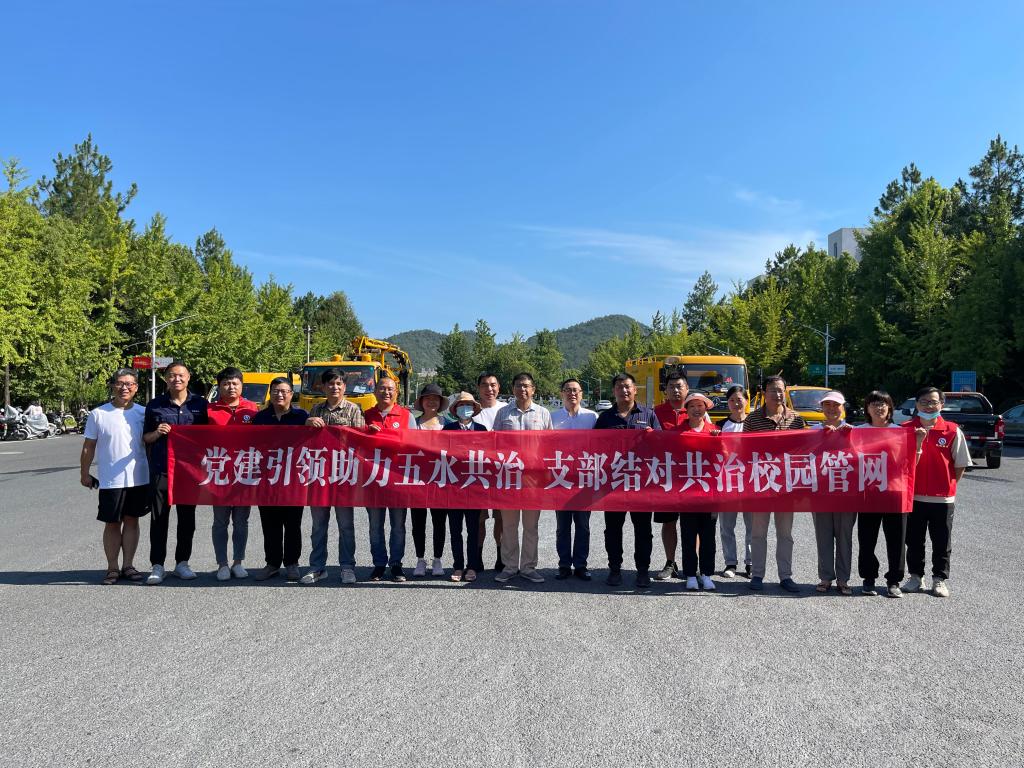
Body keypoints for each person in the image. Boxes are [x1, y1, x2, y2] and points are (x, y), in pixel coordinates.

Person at [80, 369, 149, 585]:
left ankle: (128, 565)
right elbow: (89, 446)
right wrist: (84, 473)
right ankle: (112, 567)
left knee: (132, 521)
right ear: (113, 386)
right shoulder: (99, 414)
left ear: (136, 388)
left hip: (139, 477)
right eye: (120, 383)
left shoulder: (144, 413)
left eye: (129, 384)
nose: (124, 388)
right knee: (112, 523)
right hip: (110, 480)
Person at [143, 361, 209, 584]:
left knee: (187, 519)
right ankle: (157, 565)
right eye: (172, 375)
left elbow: (210, 436)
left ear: (188, 377)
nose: (177, 379)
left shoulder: (201, 405)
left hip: (189, 471)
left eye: (181, 375)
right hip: (162, 469)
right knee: (159, 518)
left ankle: (182, 563)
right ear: (166, 379)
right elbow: (145, 438)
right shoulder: (155, 405)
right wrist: (157, 433)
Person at [902, 387, 971, 598]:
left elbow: (960, 464)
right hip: (912, 496)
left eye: (933, 402)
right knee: (914, 540)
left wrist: (947, 485)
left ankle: (939, 579)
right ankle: (915, 577)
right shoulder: (905, 429)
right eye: (923, 402)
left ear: (941, 404)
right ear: (916, 404)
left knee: (941, 541)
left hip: (942, 498)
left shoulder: (952, 430)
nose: (928, 406)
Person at [595, 372, 662, 589]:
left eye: (627, 386)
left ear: (634, 390)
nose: (624, 390)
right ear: (613, 391)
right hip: (613, 484)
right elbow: (594, 448)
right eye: (619, 387)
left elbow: (662, 446)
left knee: (643, 530)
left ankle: (642, 570)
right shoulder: (605, 418)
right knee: (612, 530)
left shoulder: (648, 415)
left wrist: (654, 437)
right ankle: (614, 569)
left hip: (641, 484)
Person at [302, 368, 366, 584]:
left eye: (339, 383)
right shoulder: (316, 409)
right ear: (323, 387)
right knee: (318, 525)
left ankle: (347, 566)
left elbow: (361, 442)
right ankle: (317, 567)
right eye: (330, 383)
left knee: (345, 525)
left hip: (343, 476)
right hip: (319, 476)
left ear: (344, 387)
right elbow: (305, 442)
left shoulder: (353, 410)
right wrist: (307, 424)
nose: (334, 387)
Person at [743, 374, 805, 593]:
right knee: (758, 533)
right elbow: (745, 451)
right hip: (761, 483)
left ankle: (785, 576)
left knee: (785, 534)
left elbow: (802, 451)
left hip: (786, 486)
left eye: (781, 390)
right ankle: (757, 574)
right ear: (764, 392)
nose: (777, 394)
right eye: (773, 390)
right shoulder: (752, 419)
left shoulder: (795, 419)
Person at [493, 372, 553, 584]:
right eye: (518, 385)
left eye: (526, 386)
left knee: (531, 527)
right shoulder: (503, 413)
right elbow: (494, 444)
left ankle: (528, 567)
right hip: (509, 478)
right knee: (509, 526)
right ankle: (509, 567)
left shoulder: (543, 413)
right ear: (513, 389)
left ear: (533, 389)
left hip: (533, 480)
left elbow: (550, 446)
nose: (522, 389)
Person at [252, 377, 309, 581]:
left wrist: (312, 425)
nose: (280, 395)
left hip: (293, 479)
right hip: (267, 479)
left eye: (284, 391)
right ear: (271, 393)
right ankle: (272, 563)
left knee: (293, 524)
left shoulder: (301, 417)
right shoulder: (260, 418)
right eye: (276, 391)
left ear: (291, 394)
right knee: (270, 524)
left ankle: (292, 563)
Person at [206, 366, 259, 581]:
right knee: (220, 521)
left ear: (242, 385)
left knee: (241, 521)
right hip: (219, 473)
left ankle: (238, 562)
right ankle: (222, 564)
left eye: (235, 383)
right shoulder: (210, 410)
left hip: (244, 472)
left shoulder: (252, 409)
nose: (231, 387)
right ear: (219, 386)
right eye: (226, 383)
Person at [364, 375, 417, 582]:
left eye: (390, 389)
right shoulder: (366, 415)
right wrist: (366, 432)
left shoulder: (406, 416)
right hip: (373, 480)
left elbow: (415, 446)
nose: (386, 392)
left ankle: (396, 564)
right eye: (382, 388)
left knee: (398, 525)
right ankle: (379, 564)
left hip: (397, 479)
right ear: (375, 391)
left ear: (397, 392)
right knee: (375, 526)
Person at [856, 390, 907, 598]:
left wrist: (919, 442)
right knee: (867, 539)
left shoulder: (901, 432)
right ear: (867, 409)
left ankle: (894, 580)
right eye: (874, 404)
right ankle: (868, 578)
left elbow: (909, 462)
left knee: (896, 540)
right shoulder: (857, 431)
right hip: (868, 493)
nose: (878, 408)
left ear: (890, 408)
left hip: (894, 492)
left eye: (883, 404)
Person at [551, 377, 598, 581]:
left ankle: (580, 565)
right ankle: (563, 564)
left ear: (581, 394)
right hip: (560, 477)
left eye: (576, 390)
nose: (572, 393)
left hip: (584, 478)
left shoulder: (592, 417)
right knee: (562, 526)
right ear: (561, 393)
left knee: (583, 525)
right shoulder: (552, 417)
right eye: (568, 390)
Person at [811, 391, 856, 595]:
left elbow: (862, 459)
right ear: (821, 408)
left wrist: (849, 438)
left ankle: (843, 579)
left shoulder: (854, 431)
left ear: (843, 407)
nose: (831, 409)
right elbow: (804, 457)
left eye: (835, 405)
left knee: (845, 537)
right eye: (827, 405)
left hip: (846, 493)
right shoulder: (813, 431)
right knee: (823, 537)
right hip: (820, 493)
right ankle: (825, 577)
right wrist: (821, 437)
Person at [443, 392, 487, 582]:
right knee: (455, 530)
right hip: (453, 487)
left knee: (473, 529)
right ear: (455, 409)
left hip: (474, 486)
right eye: (461, 405)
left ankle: (472, 566)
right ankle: (458, 565)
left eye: (468, 405)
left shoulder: (482, 430)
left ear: (474, 408)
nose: (465, 408)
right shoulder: (448, 429)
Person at [678, 392, 720, 591]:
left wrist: (718, 442)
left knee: (708, 535)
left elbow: (726, 457)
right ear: (686, 410)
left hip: (709, 493)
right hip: (686, 491)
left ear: (706, 408)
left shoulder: (714, 430)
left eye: (700, 405)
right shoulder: (678, 431)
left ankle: (707, 573)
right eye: (692, 406)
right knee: (688, 534)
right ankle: (690, 574)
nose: (696, 409)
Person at [652, 370, 690, 580]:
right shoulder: (656, 413)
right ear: (665, 390)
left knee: (692, 523)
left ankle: (692, 564)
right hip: (665, 477)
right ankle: (670, 562)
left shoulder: (696, 410)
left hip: (691, 476)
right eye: (671, 387)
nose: (675, 390)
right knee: (669, 522)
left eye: (679, 386)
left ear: (687, 389)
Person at [411, 383, 448, 577]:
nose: (431, 402)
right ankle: (420, 559)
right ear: (422, 401)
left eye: (436, 399)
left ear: (440, 402)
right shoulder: (413, 423)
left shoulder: (447, 424)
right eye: (428, 398)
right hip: (416, 478)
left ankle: (437, 559)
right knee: (418, 522)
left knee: (439, 521)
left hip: (440, 479)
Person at [715, 385, 752, 579]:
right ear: (727, 403)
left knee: (752, 526)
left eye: (739, 399)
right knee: (726, 526)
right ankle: (730, 563)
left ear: (746, 400)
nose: (736, 403)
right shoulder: (720, 425)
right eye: (732, 400)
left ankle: (751, 563)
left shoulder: (754, 423)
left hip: (751, 481)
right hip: (727, 481)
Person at [473, 372, 504, 571]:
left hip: (501, 473)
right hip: (478, 474)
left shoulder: (506, 410)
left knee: (502, 518)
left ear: (498, 387)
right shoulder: (471, 411)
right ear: (479, 388)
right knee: (479, 519)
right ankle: (477, 557)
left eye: (493, 385)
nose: (489, 389)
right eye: (484, 385)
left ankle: (501, 557)